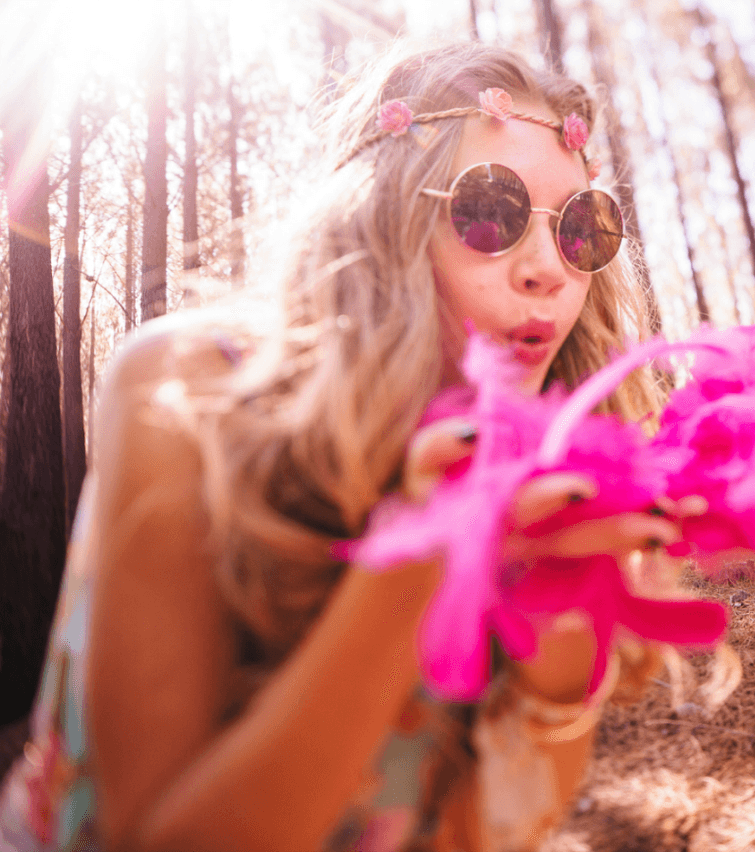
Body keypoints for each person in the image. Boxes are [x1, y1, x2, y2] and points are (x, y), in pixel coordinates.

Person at [0, 41, 698, 852]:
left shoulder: (552, 486)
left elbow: (466, 833)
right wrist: (418, 559)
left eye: (581, 229)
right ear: (385, 223)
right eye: (491, 213)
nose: (548, 267)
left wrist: (558, 682)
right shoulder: (187, 390)